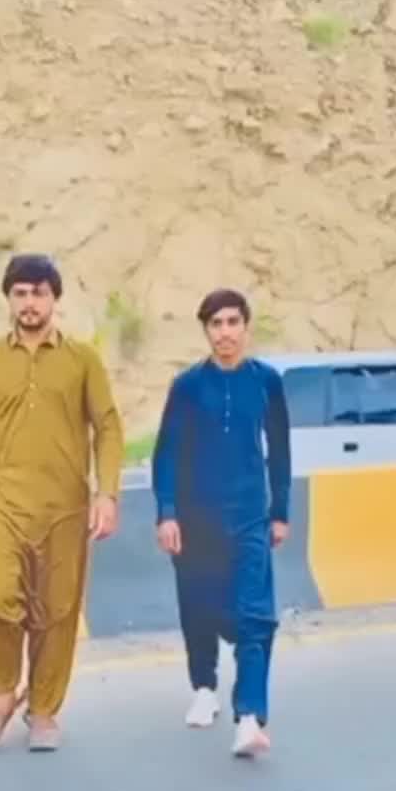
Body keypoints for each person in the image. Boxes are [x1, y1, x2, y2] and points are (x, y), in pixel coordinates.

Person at [0, 255, 123, 753]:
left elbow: (107, 426)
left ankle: (43, 710)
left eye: (39, 293)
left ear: (54, 299)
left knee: (56, 613)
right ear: (8, 300)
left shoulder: (82, 360)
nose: (29, 303)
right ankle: (3, 691)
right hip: (1, 501)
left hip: (65, 507)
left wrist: (106, 493)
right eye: (20, 293)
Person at [152, 288, 291, 759]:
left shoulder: (266, 382)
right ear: (206, 331)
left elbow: (280, 450)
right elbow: (166, 454)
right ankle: (204, 688)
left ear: (246, 327)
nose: (225, 332)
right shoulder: (188, 387)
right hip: (197, 520)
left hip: (250, 517)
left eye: (233, 322)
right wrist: (167, 513)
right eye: (216, 324)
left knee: (256, 615)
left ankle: (249, 716)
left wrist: (280, 512)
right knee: (199, 608)